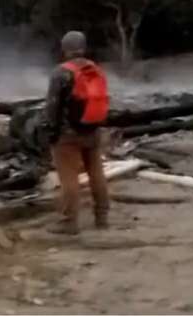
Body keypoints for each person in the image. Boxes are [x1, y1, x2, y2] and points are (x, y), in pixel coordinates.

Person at [44, 30, 110, 235]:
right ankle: (102, 217)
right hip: (92, 130)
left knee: (69, 178)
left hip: (67, 135)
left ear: (64, 49)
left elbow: (52, 107)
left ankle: (68, 222)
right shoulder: (95, 69)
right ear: (84, 47)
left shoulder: (61, 72)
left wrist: (50, 133)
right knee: (97, 174)